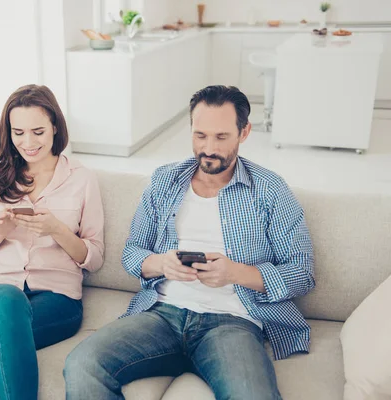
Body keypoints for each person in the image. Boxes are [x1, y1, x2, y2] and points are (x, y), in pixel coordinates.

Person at [63, 85, 315, 400]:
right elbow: (132, 252)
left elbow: (302, 272)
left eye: (221, 137)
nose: (208, 148)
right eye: (200, 135)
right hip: (162, 314)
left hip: (233, 322)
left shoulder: (270, 189)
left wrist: (234, 273)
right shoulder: (164, 181)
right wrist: (160, 263)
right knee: (82, 363)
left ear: (244, 132)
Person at [0, 84, 104, 400]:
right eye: (18, 132)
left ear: (55, 126)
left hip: (58, 299)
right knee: (8, 300)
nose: (28, 143)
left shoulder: (82, 179)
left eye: (38, 131)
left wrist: (57, 229)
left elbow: (95, 258)